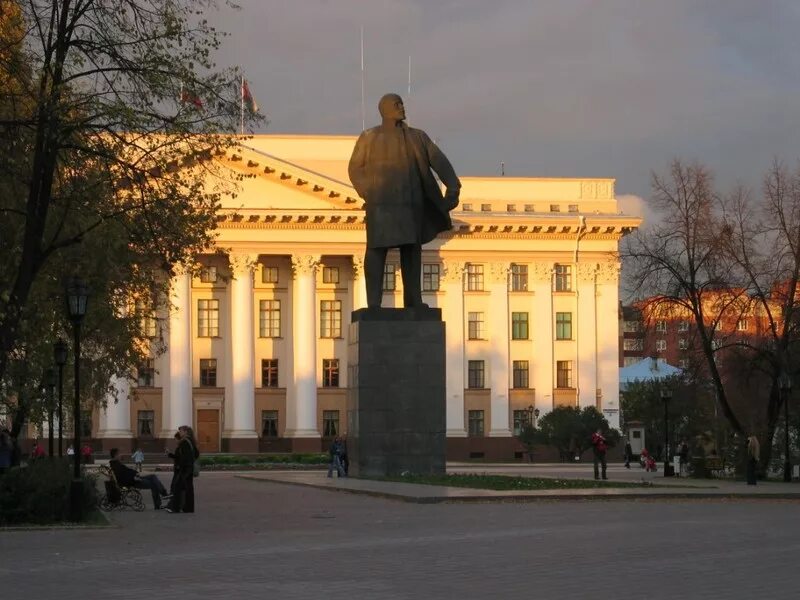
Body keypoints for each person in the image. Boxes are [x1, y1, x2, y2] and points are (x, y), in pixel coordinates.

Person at [348, 93, 461, 308]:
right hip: (381, 205)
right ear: (385, 109)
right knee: (376, 251)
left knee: (411, 251)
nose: (402, 107)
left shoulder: (417, 137)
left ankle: (413, 300)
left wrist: (453, 187)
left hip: (410, 204)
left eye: (401, 103)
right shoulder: (369, 137)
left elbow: (439, 161)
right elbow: (355, 169)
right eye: (397, 104)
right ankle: (374, 304)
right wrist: (369, 192)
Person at [166, 425, 199, 513]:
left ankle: (176, 508)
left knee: (178, 487)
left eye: (181, 431)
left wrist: (181, 465)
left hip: (185, 469)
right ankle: (188, 508)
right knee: (188, 489)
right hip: (189, 468)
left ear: (185, 432)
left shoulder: (184, 442)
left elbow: (184, 457)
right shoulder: (191, 441)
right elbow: (196, 454)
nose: (180, 433)